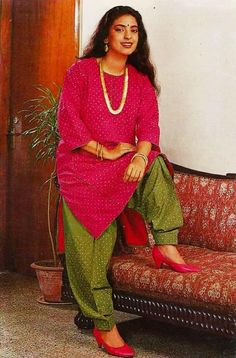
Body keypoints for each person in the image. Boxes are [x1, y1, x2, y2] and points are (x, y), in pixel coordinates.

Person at [56, 5, 200, 357]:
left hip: (121, 164)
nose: (127, 35)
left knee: (154, 164)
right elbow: (68, 121)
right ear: (106, 35)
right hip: (82, 170)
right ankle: (104, 324)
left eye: (133, 29)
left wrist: (137, 155)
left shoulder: (140, 82)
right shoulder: (82, 72)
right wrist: (103, 152)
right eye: (120, 29)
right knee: (90, 253)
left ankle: (165, 244)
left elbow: (148, 130)